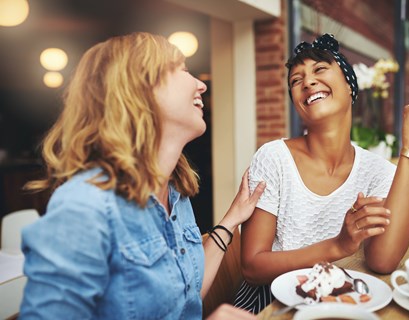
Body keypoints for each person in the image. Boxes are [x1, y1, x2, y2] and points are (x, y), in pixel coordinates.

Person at [19, 32, 265, 320]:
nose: (201, 84)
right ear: (141, 88)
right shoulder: (84, 207)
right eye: (184, 70)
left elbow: (185, 296)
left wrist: (232, 218)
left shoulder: (175, 193)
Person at [233, 33, 409, 313]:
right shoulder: (273, 158)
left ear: (350, 85)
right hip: (268, 305)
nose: (307, 82)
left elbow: (383, 261)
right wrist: (339, 245)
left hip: (339, 303)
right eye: (296, 80)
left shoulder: (377, 171)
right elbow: (252, 267)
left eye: (320, 70)